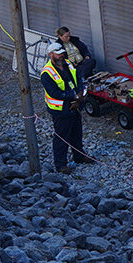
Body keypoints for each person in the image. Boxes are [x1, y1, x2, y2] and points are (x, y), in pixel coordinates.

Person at [41, 42, 89, 171]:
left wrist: (80, 94)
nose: (61, 55)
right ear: (51, 55)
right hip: (61, 110)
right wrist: (74, 96)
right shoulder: (47, 73)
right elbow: (54, 93)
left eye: (62, 53)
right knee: (62, 137)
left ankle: (79, 156)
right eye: (58, 54)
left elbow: (78, 78)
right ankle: (60, 164)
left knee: (76, 133)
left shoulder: (68, 64)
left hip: (75, 106)